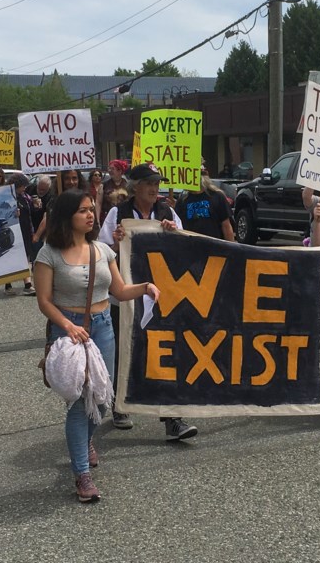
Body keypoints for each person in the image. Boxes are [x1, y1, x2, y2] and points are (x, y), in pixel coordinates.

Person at [34, 188, 160, 503]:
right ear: (67, 217)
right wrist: (68, 326)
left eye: (92, 209)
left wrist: (145, 287)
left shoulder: (103, 249)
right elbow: (44, 302)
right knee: (80, 403)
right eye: (83, 211)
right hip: (69, 331)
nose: (91, 215)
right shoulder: (48, 254)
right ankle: (82, 475)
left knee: (102, 400)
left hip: (103, 327)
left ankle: (86, 440)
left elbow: (118, 290)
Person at [99, 162, 199, 440]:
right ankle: (120, 404)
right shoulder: (118, 214)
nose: (155, 188)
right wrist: (116, 242)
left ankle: (172, 419)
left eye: (157, 183)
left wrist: (172, 233)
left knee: (162, 351)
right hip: (127, 295)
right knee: (123, 352)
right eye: (149, 183)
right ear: (135, 186)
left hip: (159, 294)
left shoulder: (167, 212)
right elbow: (101, 252)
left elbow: (185, 247)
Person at [175, 168, 235, 241]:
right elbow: (178, 227)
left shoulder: (217, 196)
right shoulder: (182, 201)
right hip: (191, 248)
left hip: (214, 247)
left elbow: (226, 226)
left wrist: (231, 250)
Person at [6, 172, 36, 296]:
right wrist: (13, 215)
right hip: (15, 231)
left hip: (26, 229)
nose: (24, 188)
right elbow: (3, 216)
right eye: (22, 185)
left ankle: (27, 284)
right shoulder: (9, 198)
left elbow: (31, 211)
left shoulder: (26, 196)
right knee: (15, 258)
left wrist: (36, 206)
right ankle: (12, 284)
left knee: (25, 258)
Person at [97, 160, 128, 224]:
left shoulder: (127, 185)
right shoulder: (103, 185)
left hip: (124, 218)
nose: (110, 170)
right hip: (107, 218)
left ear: (120, 171)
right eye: (109, 168)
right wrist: (97, 219)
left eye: (112, 169)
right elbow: (98, 203)